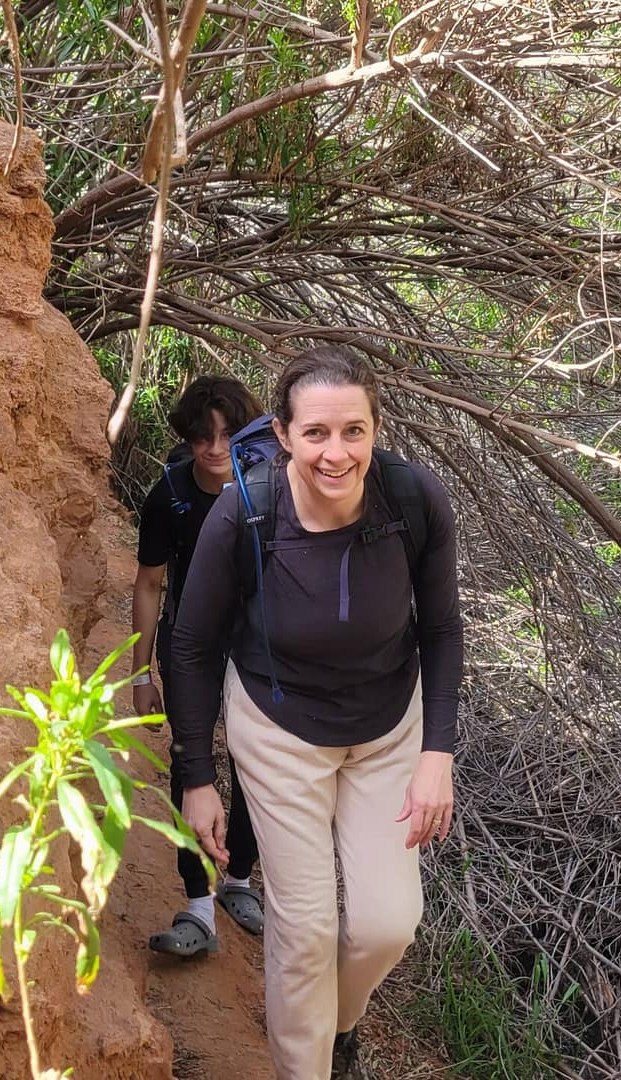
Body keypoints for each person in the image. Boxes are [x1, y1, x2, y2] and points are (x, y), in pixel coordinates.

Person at [164, 345, 462, 1080]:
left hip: (388, 730)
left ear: (376, 430)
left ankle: (341, 1026)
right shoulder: (246, 510)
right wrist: (198, 777)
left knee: (387, 926)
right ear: (286, 433)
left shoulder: (414, 499)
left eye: (354, 432)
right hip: (277, 730)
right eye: (318, 433)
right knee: (301, 934)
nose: (337, 453)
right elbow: (193, 645)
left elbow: (443, 629)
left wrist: (437, 754)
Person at [133, 375, 267, 957]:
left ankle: (238, 878)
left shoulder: (269, 487)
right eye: (202, 437)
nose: (214, 449)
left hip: (258, 646)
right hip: (188, 644)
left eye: (228, 434)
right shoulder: (170, 495)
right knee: (192, 763)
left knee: (256, 763)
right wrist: (142, 673)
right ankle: (197, 907)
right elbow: (148, 583)